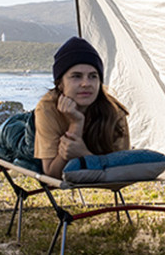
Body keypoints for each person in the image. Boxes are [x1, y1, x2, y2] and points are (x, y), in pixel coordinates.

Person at [35, 36, 130, 179]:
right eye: (76, 76)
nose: (86, 83)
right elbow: (51, 173)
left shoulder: (114, 112)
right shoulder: (47, 108)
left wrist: (83, 154)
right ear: (60, 83)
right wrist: (76, 123)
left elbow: (122, 170)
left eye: (93, 76)